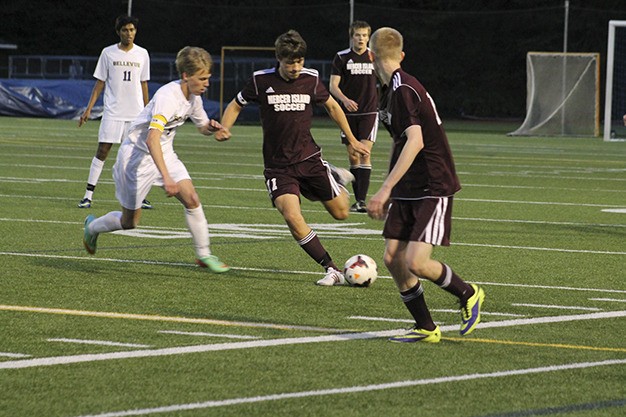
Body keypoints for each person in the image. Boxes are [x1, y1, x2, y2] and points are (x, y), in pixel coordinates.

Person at [216, 29, 369, 285]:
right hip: (278, 168)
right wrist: (225, 127)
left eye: (299, 62)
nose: (295, 67)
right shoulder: (260, 81)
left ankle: (333, 175)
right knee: (292, 217)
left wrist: (352, 140)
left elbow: (332, 106)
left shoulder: (310, 79)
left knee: (342, 213)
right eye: (290, 63)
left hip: (309, 159)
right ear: (279, 59)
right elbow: (236, 104)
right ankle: (331, 269)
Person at [366, 27, 485, 343]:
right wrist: (391, 186)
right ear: (401, 55)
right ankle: (426, 327)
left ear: (371, 56)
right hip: (410, 184)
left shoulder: (403, 89)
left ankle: (468, 293)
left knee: (415, 262)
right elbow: (399, 141)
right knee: (392, 259)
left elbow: (415, 141)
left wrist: (385, 189)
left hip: (433, 183)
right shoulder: (389, 89)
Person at [82, 46, 230, 273]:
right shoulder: (167, 98)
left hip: (164, 153)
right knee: (129, 222)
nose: (206, 83)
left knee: (191, 198)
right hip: (135, 159)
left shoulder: (194, 96)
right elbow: (152, 139)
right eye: (202, 79)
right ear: (185, 76)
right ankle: (92, 227)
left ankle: (204, 254)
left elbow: (201, 126)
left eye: (208, 78)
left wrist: (212, 128)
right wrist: (167, 178)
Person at [77, 14, 152, 210]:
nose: (129, 34)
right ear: (118, 32)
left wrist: (148, 111)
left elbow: (144, 84)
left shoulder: (142, 54)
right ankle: (88, 195)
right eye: (125, 30)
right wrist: (89, 109)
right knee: (103, 151)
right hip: (113, 112)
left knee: (136, 154)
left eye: (132, 30)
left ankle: (139, 196)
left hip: (135, 113)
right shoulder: (108, 53)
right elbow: (99, 84)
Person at [329, 20, 378, 213]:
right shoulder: (341, 58)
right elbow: (333, 86)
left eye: (365, 35)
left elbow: (385, 81)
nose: (361, 39)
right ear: (352, 36)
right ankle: (356, 196)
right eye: (358, 35)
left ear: (369, 37)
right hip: (347, 113)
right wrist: (345, 99)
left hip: (369, 111)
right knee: (353, 155)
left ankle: (361, 201)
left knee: (364, 152)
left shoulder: (375, 57)